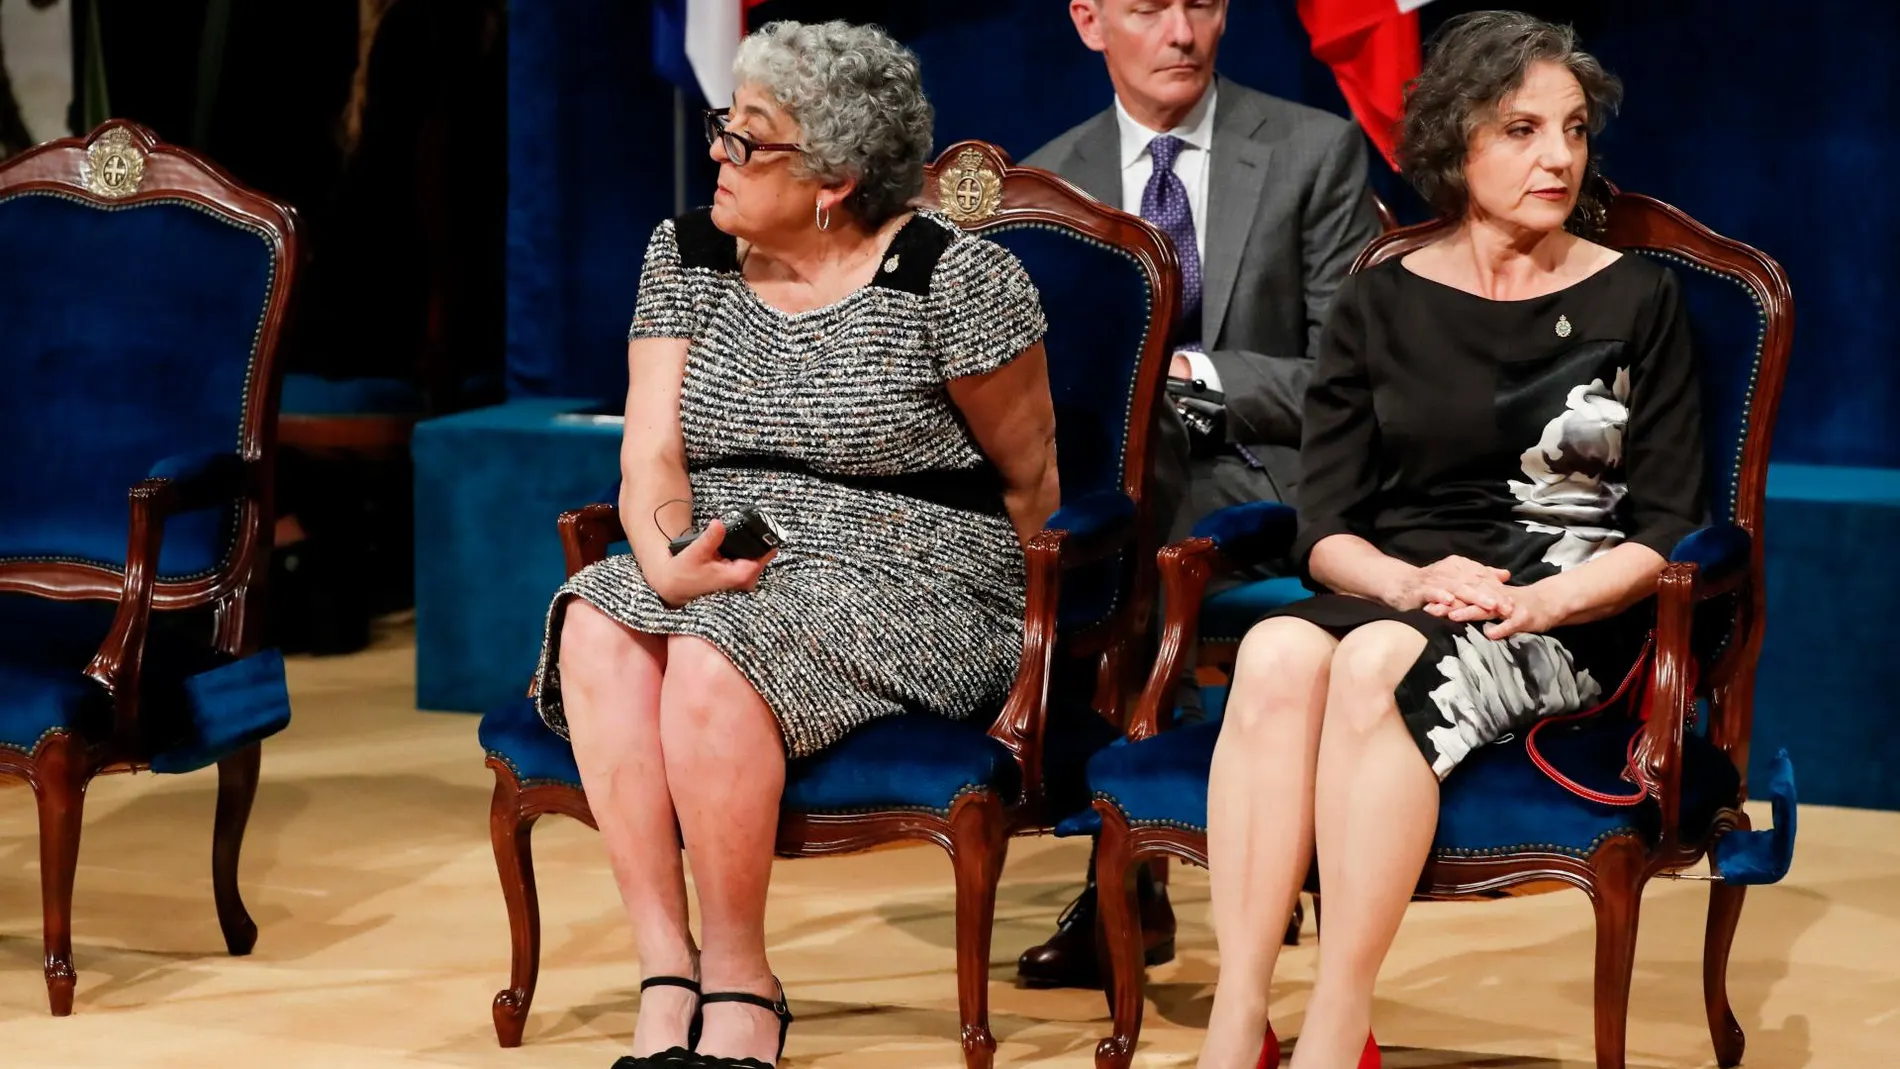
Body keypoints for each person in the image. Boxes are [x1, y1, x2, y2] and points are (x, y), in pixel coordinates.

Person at [529, 20, 1059, 1069]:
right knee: (595, 620)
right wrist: (662, 556)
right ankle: (665, 969)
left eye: (749, 140)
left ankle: (740, 980)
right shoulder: (683, 254)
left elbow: (1031, 477)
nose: (718, 153)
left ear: (836, 178)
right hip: (728, 545)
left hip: (921, 567)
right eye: (727, 127)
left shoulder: (954, 280)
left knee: (718, 650)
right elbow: (650, 459)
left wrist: (1049, 636)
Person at [1199, 13, 1705, 1069]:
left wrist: (1542, 603)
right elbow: (1325, 530)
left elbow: (1665, 532)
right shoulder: (1378, 300)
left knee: (1378, 658)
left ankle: (1336, 1028)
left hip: (1563, 604)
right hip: (1403, 580)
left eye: (1571, 129)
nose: (1557, 156)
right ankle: (1236, 1022)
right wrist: (1408, 577)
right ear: (1452, 143)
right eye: (1521, 130)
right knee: (1276, 648)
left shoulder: (1637, 297)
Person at [1016, 0, 1383, 990]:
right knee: (1079, 527)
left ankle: (1134, 863)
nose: (1182, 32)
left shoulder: (1314, 151)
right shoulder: (1045, 183)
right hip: (1110, 492)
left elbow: (1349, 378)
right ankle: (1124, 845)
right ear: (1090, 22)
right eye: (1149, 8)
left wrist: (1195, 374)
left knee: (1127, 542)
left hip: (1263, 474)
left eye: (1204, 4)